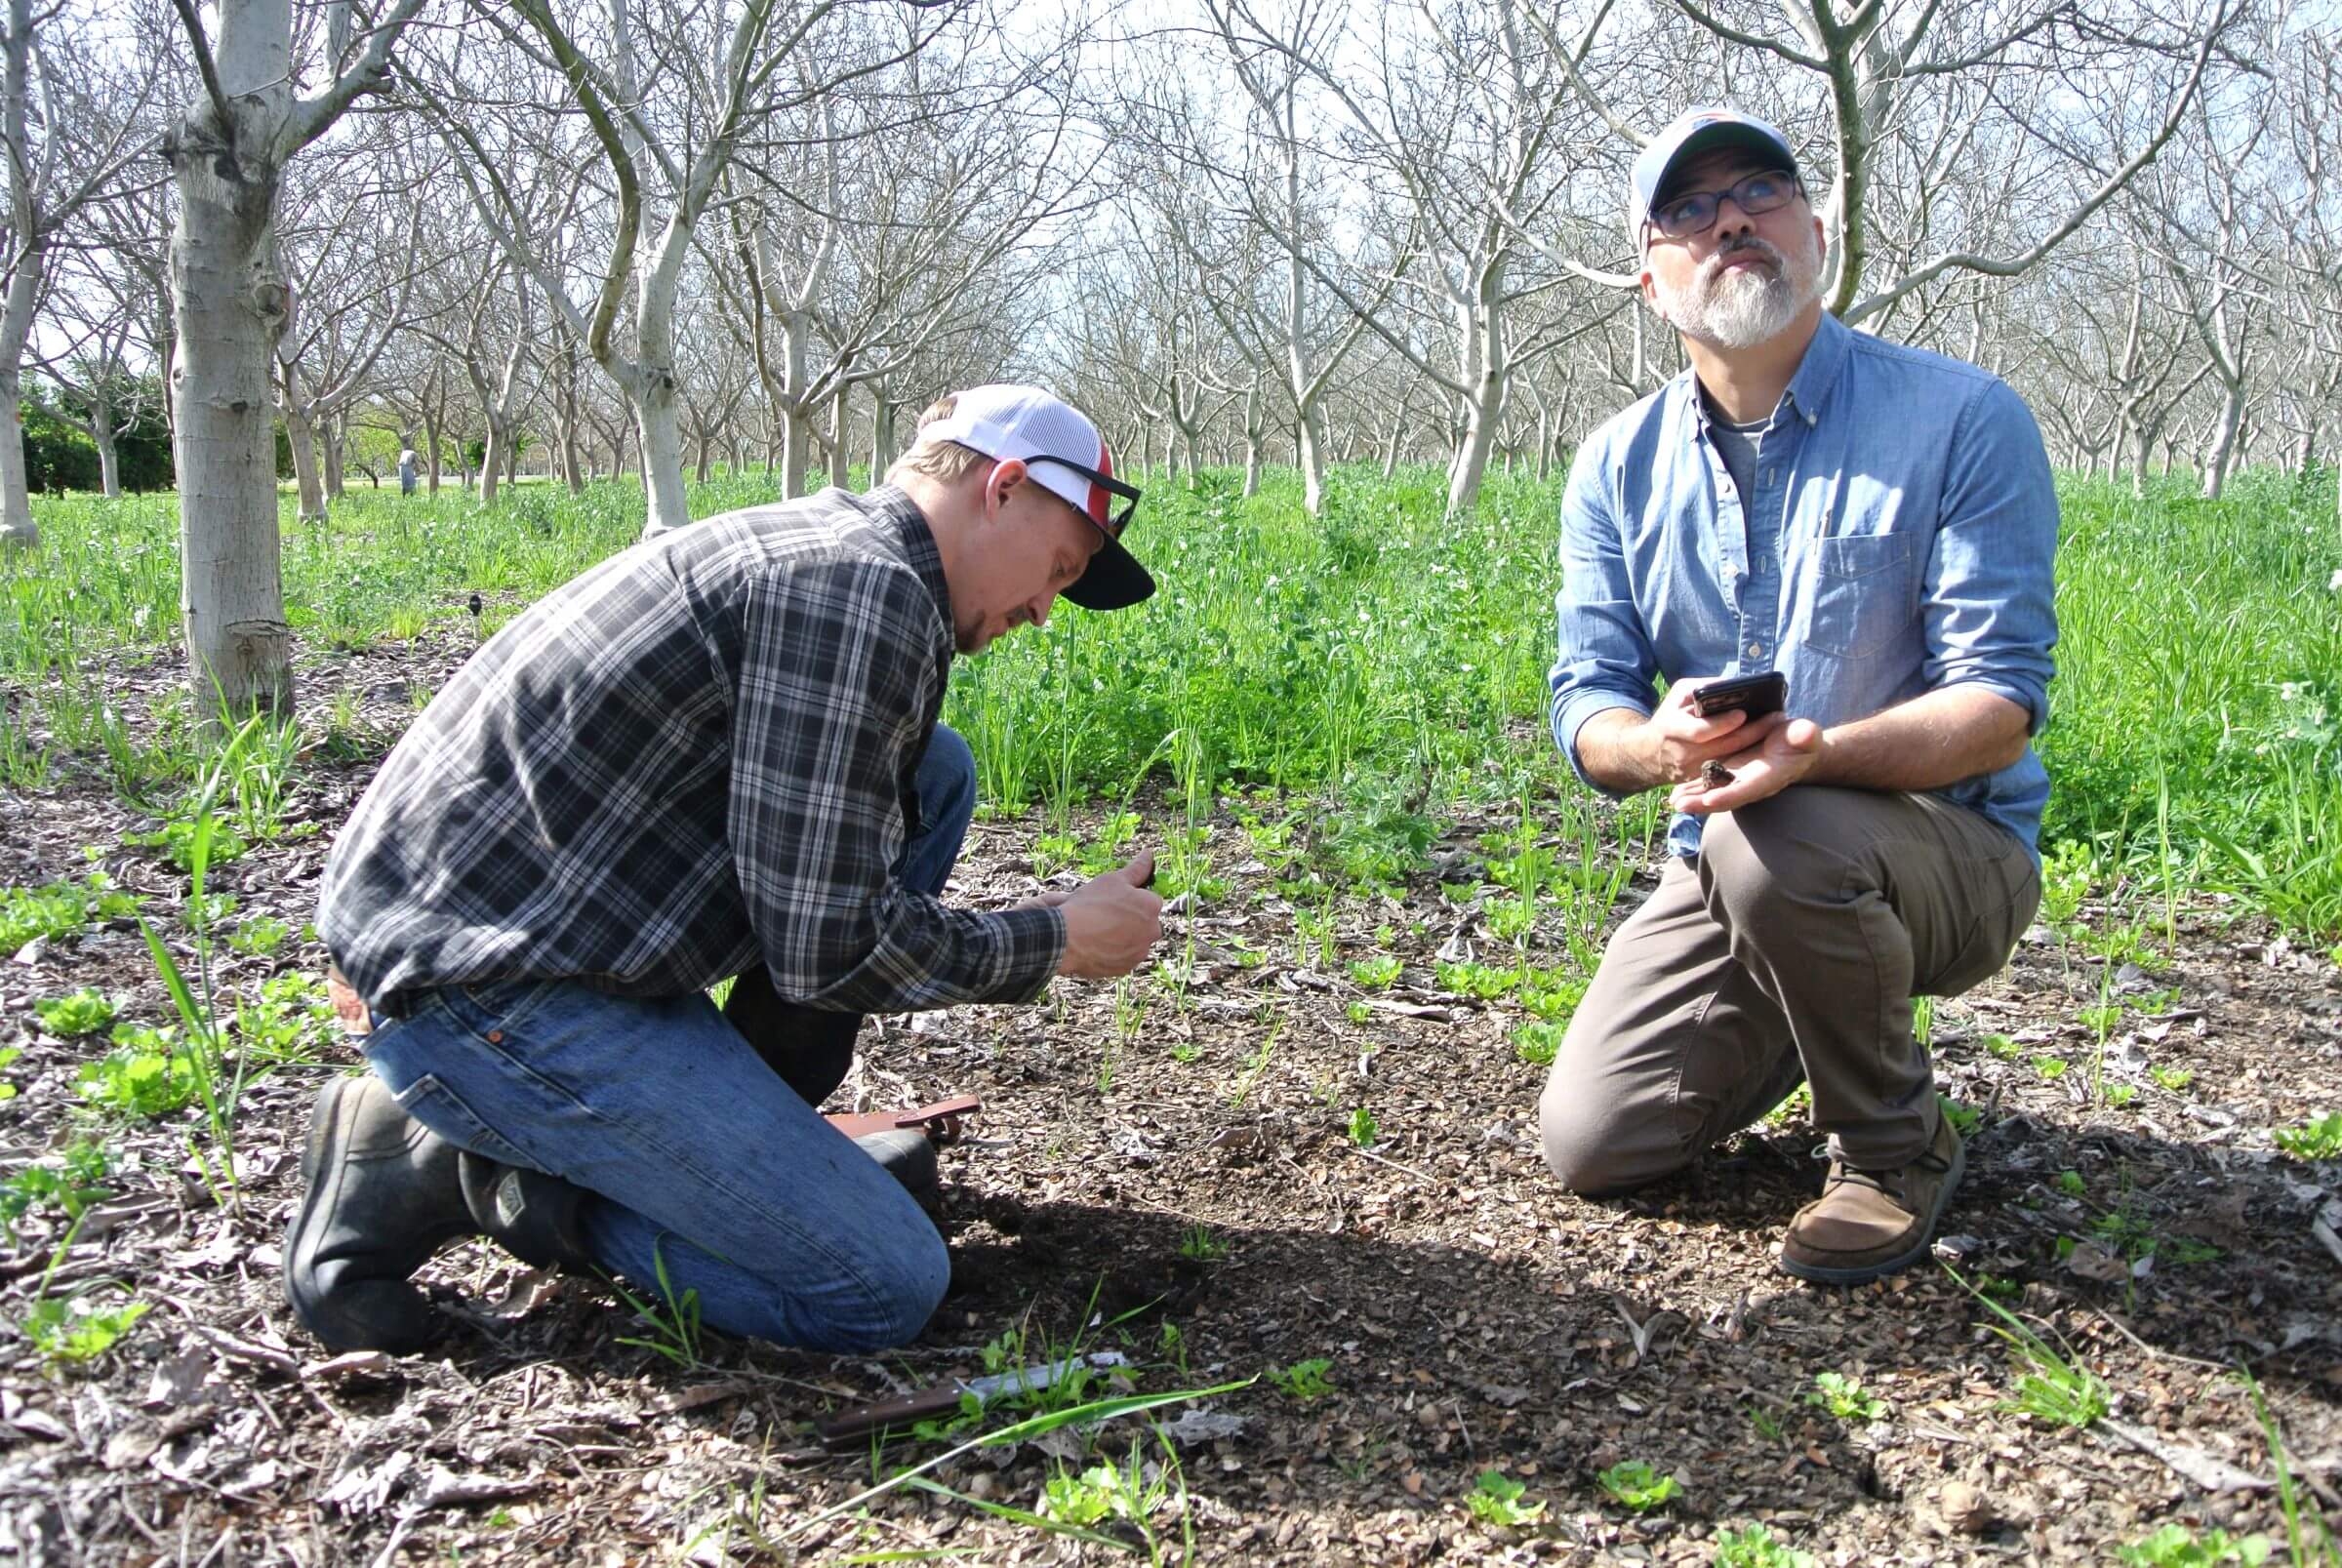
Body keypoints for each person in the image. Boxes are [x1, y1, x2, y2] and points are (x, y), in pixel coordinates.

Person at [287, 385, 1166, 1354]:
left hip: (518, 933)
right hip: (480, 992)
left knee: (935, 770)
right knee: (880, 1281)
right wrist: (1059, 939)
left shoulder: (848, 554)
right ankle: (466, 1168)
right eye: (1058, 567)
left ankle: (703, 1143)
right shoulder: (861, 593)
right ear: (1003, 485)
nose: (1046, 610)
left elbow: (817, 901)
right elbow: (834, 950)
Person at [1539, 109, 2058, 1285]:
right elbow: (1588, 697)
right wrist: (1655, 746)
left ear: (1814, 230)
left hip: (1949, 853)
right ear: (1650, 276)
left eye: (1761, 190)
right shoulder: (1614, 467)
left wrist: (1816, 757)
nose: (1731, 219)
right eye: (1689, 208)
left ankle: (1894, 1145)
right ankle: (1809, 978)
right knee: (1600, 1141)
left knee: (1775, 827)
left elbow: (2000, 700)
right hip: (1730, 854)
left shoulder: (1963, 419)